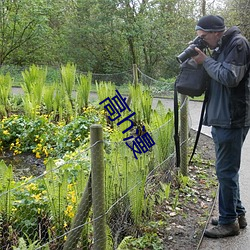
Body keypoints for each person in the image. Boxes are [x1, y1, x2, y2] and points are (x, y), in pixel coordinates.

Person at [192, 15, 250, 238]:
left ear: (216, 32)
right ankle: (237, 214)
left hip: (232, 118)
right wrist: (202, 60)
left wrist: (205, 61)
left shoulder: (238, 44)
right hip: (222, 117)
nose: (203, 41)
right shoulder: (221, 46)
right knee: (227, 171)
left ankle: (228, 223)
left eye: (204, 37)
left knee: (225, 171)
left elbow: (229, 77)